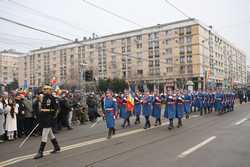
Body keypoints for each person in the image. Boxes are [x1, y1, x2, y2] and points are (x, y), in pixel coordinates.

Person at [34, 85, 60, 159]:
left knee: (44, 135)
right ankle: (56, 146)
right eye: (44, 89)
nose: (44, 90)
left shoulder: (52, 98)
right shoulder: (44, 97)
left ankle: (40, 152)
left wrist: (52, 118)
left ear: (49, 90)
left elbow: (56, 109)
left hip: (49, 118)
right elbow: (43, 109)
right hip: (44, 118)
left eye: (46, 89)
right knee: (50, 134)